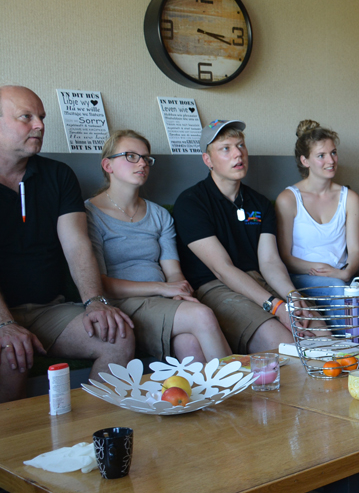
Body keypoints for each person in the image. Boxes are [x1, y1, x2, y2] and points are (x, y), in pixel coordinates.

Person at [0, 85, 135, 403]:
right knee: (11, 354)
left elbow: (76, 244)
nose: (40, 125)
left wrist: (95, 302)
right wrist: (4, 323)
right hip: (2, 312)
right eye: (26, 117)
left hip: (50, 309)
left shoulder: (58, 175)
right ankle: (11, 449)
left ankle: (90, 440)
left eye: (42, 117)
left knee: (118, 337)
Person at [85, 130, 232, 363]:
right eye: (131, 156)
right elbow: (100, 284)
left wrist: (179, 292)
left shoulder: (159, 214)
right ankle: (239, 389)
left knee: (189, 343)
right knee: (202, 315)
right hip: (121, 304)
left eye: (146, 158)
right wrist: (163, 288)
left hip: (162, 302)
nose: (142, 163)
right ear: (108, 165)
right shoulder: (90, 214)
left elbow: (172, 270)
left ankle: (208, 399)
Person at [173, 119, 311, 354]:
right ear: (208, 160)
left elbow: (269, 262)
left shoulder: (260, 203)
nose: (238, 153)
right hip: (214, 287)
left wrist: (293, 297)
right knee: (283, 342)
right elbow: (222, 268)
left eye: (241, 145)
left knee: (318, 332)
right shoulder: (191, 202)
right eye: (226, 148)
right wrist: (277, 307)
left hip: (257, 280)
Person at [275, 120, 359, 325]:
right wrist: (321, 269)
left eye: (333, 153)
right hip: (301, 278)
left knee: (348, 291)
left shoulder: (349, 198)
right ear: (305, 160)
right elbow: (284, 257)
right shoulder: (288, 199)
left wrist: (345, 273)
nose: (331, 160)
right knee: (337, 289)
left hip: (341, 277)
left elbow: (356, 252)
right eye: (321, 156)